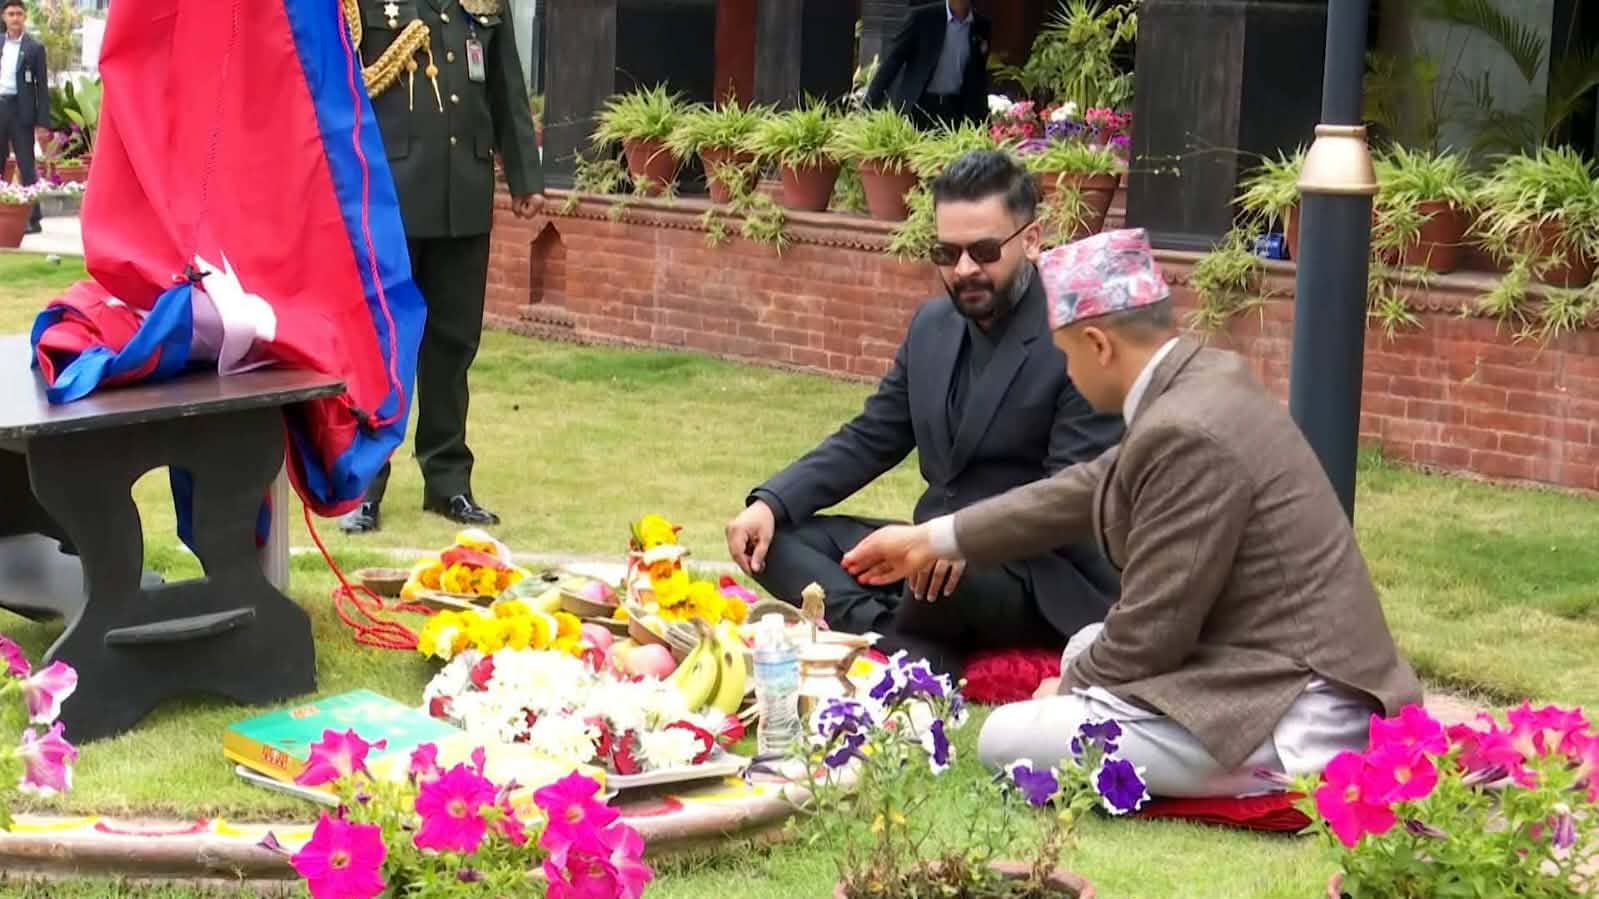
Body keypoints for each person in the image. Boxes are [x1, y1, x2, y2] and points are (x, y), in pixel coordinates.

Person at [840, 229, 1424, 798]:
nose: (1067, 373)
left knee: (1006, 736)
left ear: (1098, 345)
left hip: (1294, 709)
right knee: (1083, 644)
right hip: (1255, 660)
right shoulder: (1206, 378)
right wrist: (934, 539)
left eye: (1066, 355)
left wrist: (1069, 690)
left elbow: (1150, 637)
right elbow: (1089, 486)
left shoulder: (1186, 431)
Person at [725, 150, 1121, 678]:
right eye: (946, 252)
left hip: (1036, 571)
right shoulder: (932, 325)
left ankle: (896, 632)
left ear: (1031, 240)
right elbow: (871, 436)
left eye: (984, 251)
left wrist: (957, 538)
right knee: (777, 542)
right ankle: (895, 640)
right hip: (931, 551)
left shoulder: (1079, 340)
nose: (964, 269)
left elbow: (1069, 498)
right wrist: (773, 501)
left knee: (945, 584)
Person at [340, 0, 543, 534]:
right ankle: (365, 485)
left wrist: (525, 176)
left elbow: (505, 85)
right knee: (381, 348)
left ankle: (448, 481)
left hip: (463, 196)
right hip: (392, 198)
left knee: (453, 347)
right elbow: (340, 87)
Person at [864, 0, 991, 130]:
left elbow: (979, 78)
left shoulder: (981, 26)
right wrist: (868, 106)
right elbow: (892, 62)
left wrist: (984, 121)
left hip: (955, 111)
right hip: (918, 107)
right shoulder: (922, 17)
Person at [0, 0, 49, 236]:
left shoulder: (34, 48)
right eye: (11, 14)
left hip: (21, 112)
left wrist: (42, 123)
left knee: (26, 164)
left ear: (25, 16)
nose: (15, 18)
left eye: (19, 13)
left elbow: (42, 88)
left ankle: (33, 218)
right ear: (4, 17)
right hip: (0, 107)